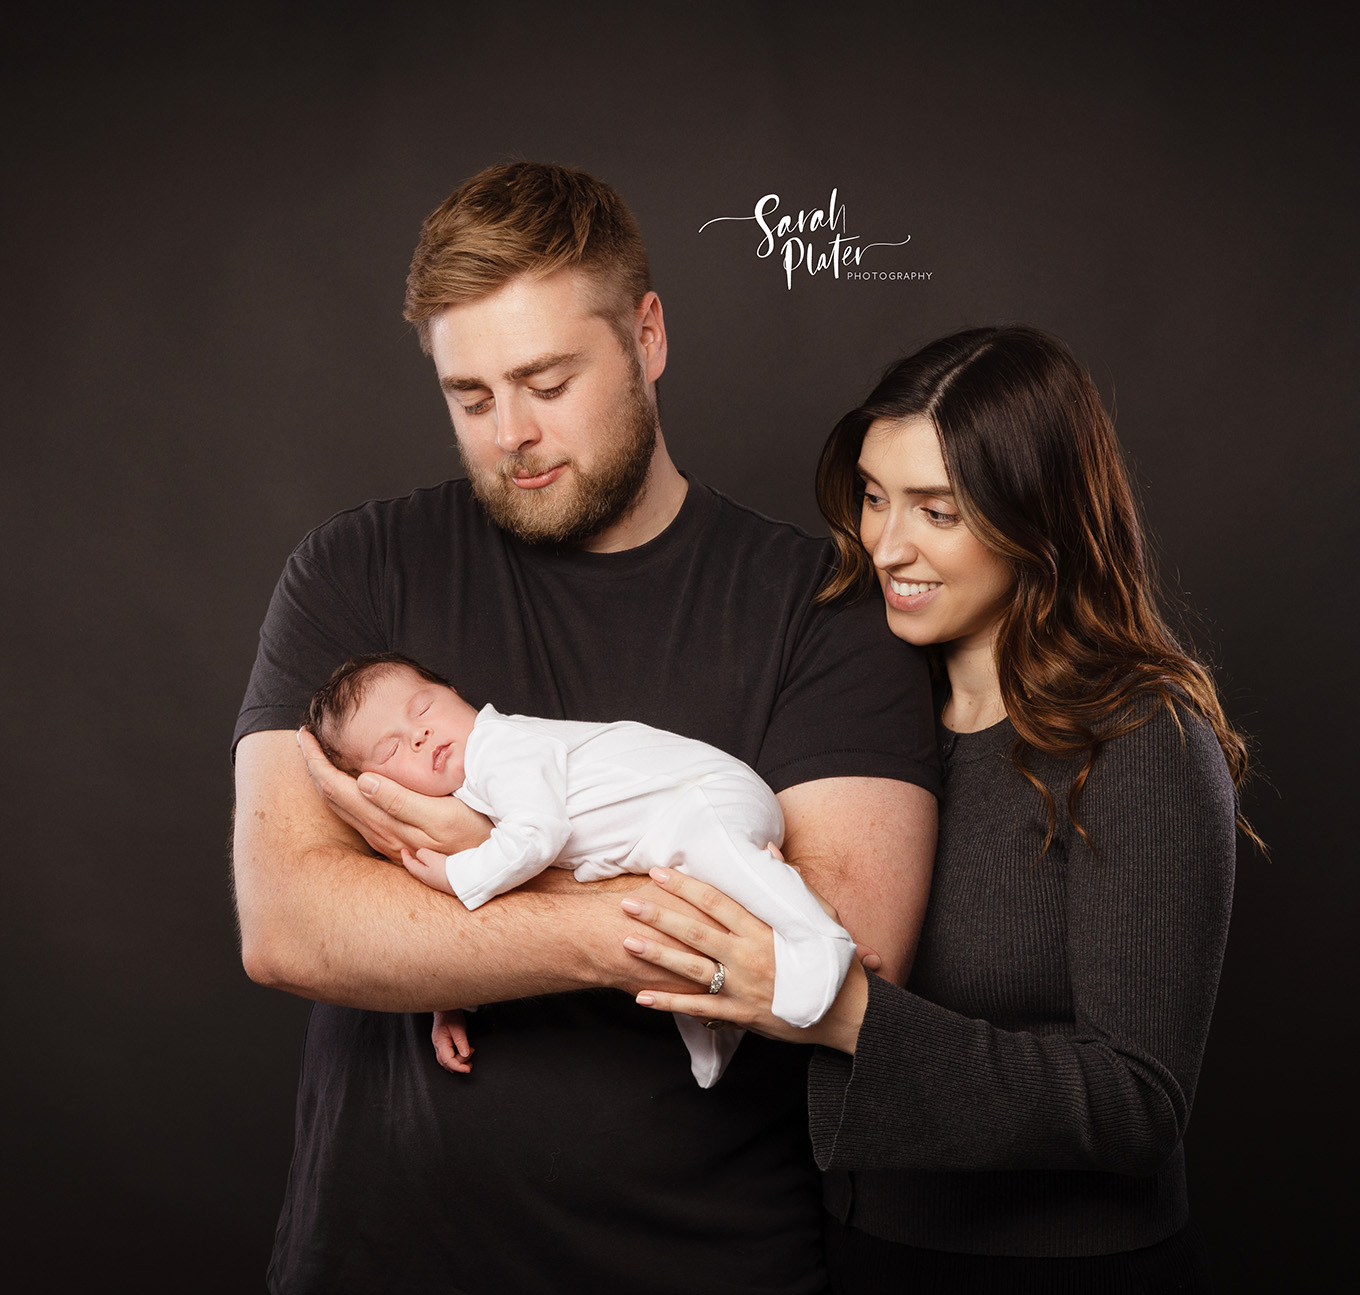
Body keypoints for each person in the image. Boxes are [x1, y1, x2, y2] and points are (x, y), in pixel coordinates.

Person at [231, 161, 939, 1294]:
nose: (511, 433)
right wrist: (620, 909)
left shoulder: (824, 610)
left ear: (648, 336)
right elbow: (290, 924)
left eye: (547, 381)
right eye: (470, 397)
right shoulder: (355, 572)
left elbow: (836, 949)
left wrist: (475, 867)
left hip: (702, 1264)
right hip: (375, 1259)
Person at [622, 325, 1251, 1292]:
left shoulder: (1139, 738)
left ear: (1037, 518)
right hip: (859, 1251)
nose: (885, 544)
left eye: (938, 510)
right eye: (874, 497)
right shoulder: (857, 713)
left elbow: (1139, 1103)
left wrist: (845, 1012)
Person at [303, 651, 855, 1087]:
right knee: (684, 921)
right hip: (655, 840)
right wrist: (447, 1003)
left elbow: (537, 835)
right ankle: (720, 1028)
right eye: (391, 749)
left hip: (700, 797)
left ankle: (822, 944)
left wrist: (457, 877)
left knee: (726, 865)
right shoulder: (466, 796)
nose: (419, 735)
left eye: (422, 708)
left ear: (455, 693)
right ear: (380, 787)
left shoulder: (500, 747)